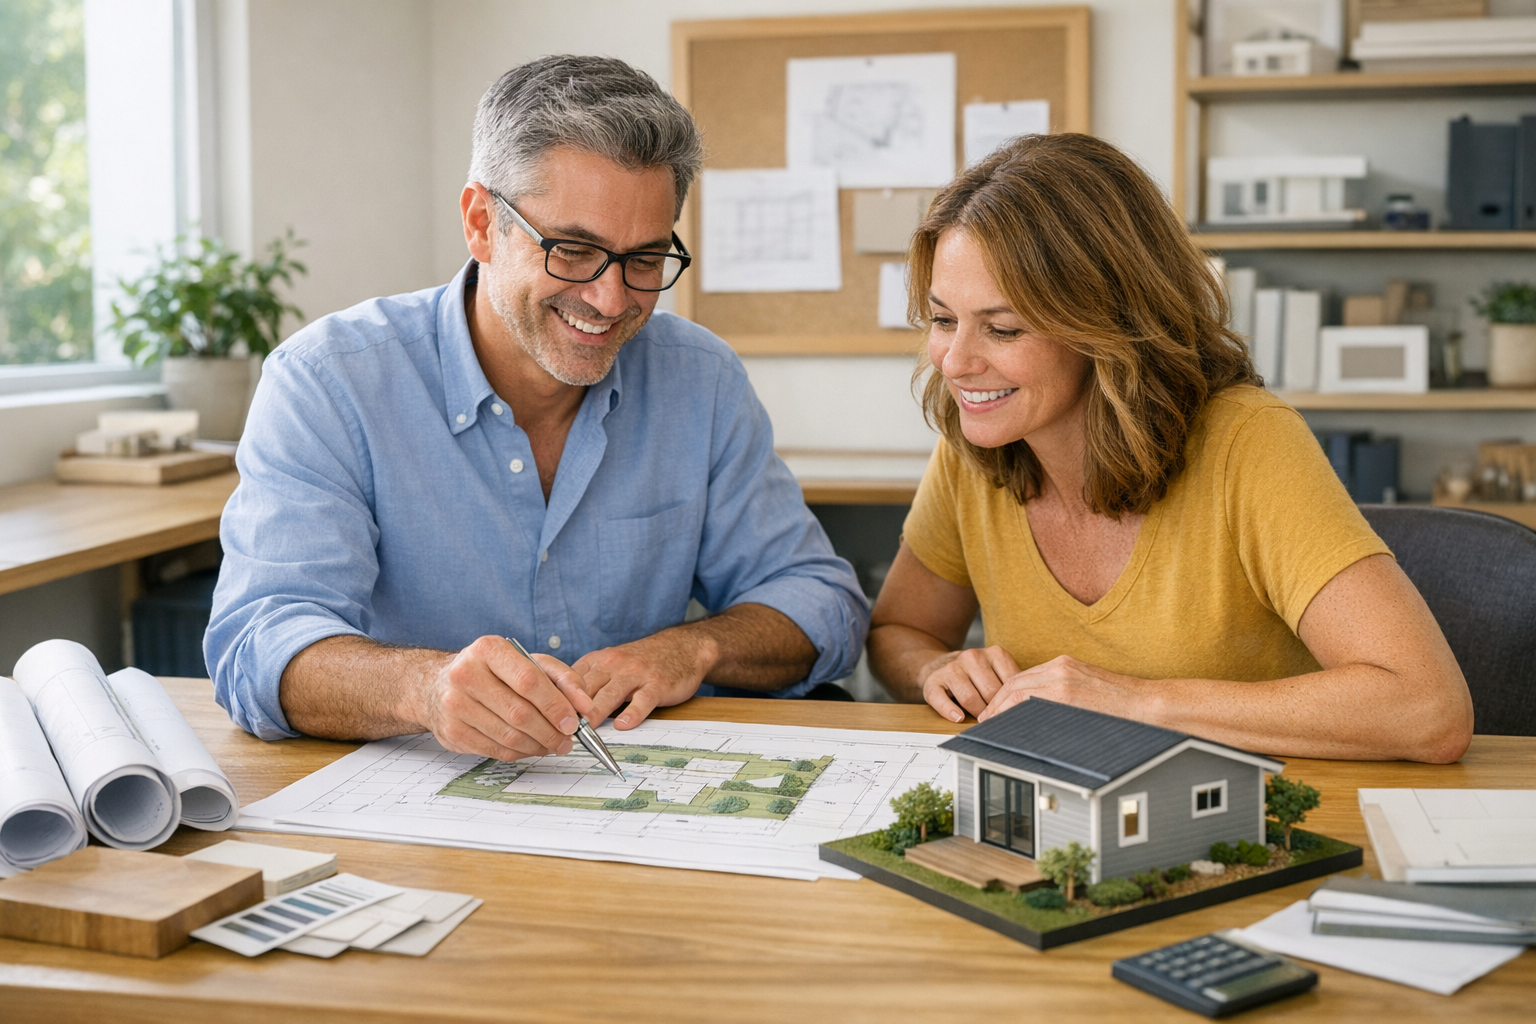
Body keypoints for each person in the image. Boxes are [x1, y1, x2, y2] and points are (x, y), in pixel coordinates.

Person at [206, 56, 868, 760]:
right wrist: (423, 689)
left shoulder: (699, 379)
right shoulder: (328, 382)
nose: (610, 300)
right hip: (411, 800)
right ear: (481, 223)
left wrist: (695, 647)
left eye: (645, 260)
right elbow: (257, 646)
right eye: (574, 250)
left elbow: (822, 601)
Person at [867, 133, 1473, 763]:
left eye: (1003, 328)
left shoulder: (1248, 442)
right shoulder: (978, 444)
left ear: (1106, 324)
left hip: (1258, 807)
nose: (955, 362)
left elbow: (1429, 710)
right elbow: (898, 630)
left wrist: (1135, 703)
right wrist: (933, 668)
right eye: (943, 320)